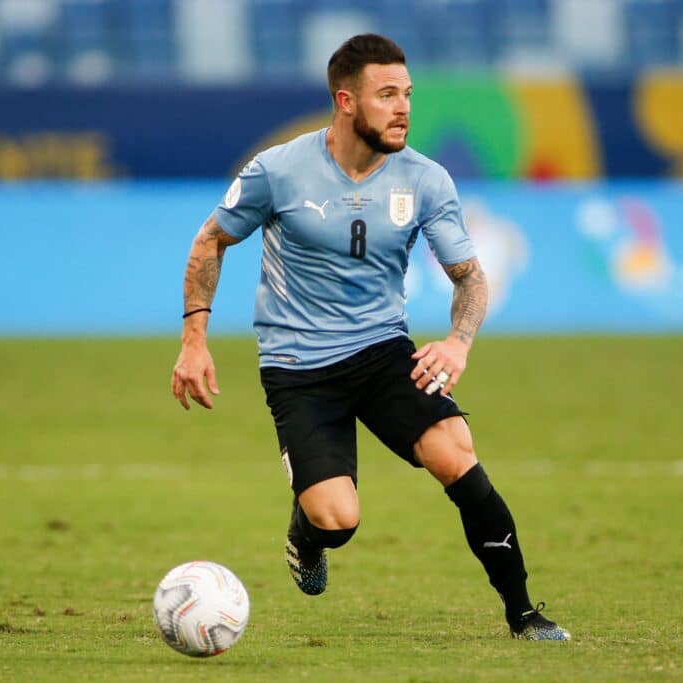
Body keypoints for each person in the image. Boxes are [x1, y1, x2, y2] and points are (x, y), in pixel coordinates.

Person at [171, 33, 570, 641]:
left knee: (458, 457)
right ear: (346, 102)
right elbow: (211, 240)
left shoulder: (427, 180)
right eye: (387, 95)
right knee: (338, 518)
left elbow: (470, 278)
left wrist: (458, 341)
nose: (404, 107)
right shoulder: (278, 171)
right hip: (297, 364)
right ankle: (309, 536)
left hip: (382, 351)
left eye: (407, 94)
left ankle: (523, 614)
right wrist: (194, 341)